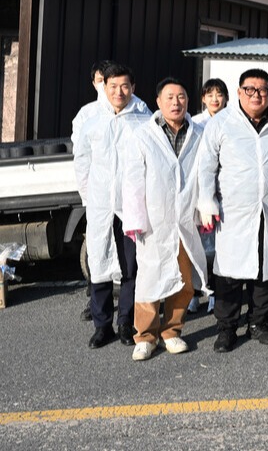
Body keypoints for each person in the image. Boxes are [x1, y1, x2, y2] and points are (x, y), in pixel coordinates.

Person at [197, 68, 268, 353]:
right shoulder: (222, 124)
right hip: (233, 211)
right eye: (250, 90)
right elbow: (206, 166)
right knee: (229, 274)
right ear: (239, 92)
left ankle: (257, 322)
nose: (257, 95)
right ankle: (226, 328)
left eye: (263, 90)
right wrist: (206, 201)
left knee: (267, 271)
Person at [120, 78, 209, 361]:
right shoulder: (143, 135)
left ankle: (172, 332)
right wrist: (134, 219)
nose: (176, 102)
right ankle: (145, 336)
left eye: (181, 96)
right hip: (153, 221)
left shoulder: (199, 132)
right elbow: (132, 180)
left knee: (184, 279)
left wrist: (205, 207)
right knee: (149, 279)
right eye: (170, 97)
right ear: (158, 102)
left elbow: (204, 174)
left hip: (184, 219)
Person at [74, 63, 152, 348]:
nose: (119, 92)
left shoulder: (143, 122)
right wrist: (89, 197)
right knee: (99, 264)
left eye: (124, 86)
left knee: (131, 267)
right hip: (100, 206)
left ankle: (126, 322)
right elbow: (81, 163)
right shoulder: (92, 122)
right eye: (113, 86)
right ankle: (101, 325)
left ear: (133, 88)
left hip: (130, 207)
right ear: (103, 87)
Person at [71, 59, 116, 323]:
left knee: (128, 256)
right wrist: (88, 196)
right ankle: (97, 306)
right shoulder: (87, 114)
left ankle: (128, 310)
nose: (104, 85)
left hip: (125, 199)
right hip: (99, 197)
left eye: (107, 80)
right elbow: (82, 158)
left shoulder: (135, 107)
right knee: (97, 252)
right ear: (94, 83)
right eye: (99, 80)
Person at [190, 77, 228, 314]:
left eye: (219, 94)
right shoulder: (194, 123)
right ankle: (194, 293)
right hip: (197, 193)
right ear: (203, 98)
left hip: (223, 193)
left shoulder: (231, 122)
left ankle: (214, 294)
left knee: (218, 249)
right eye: (210, 94)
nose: (215, 99)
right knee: (195, 247)